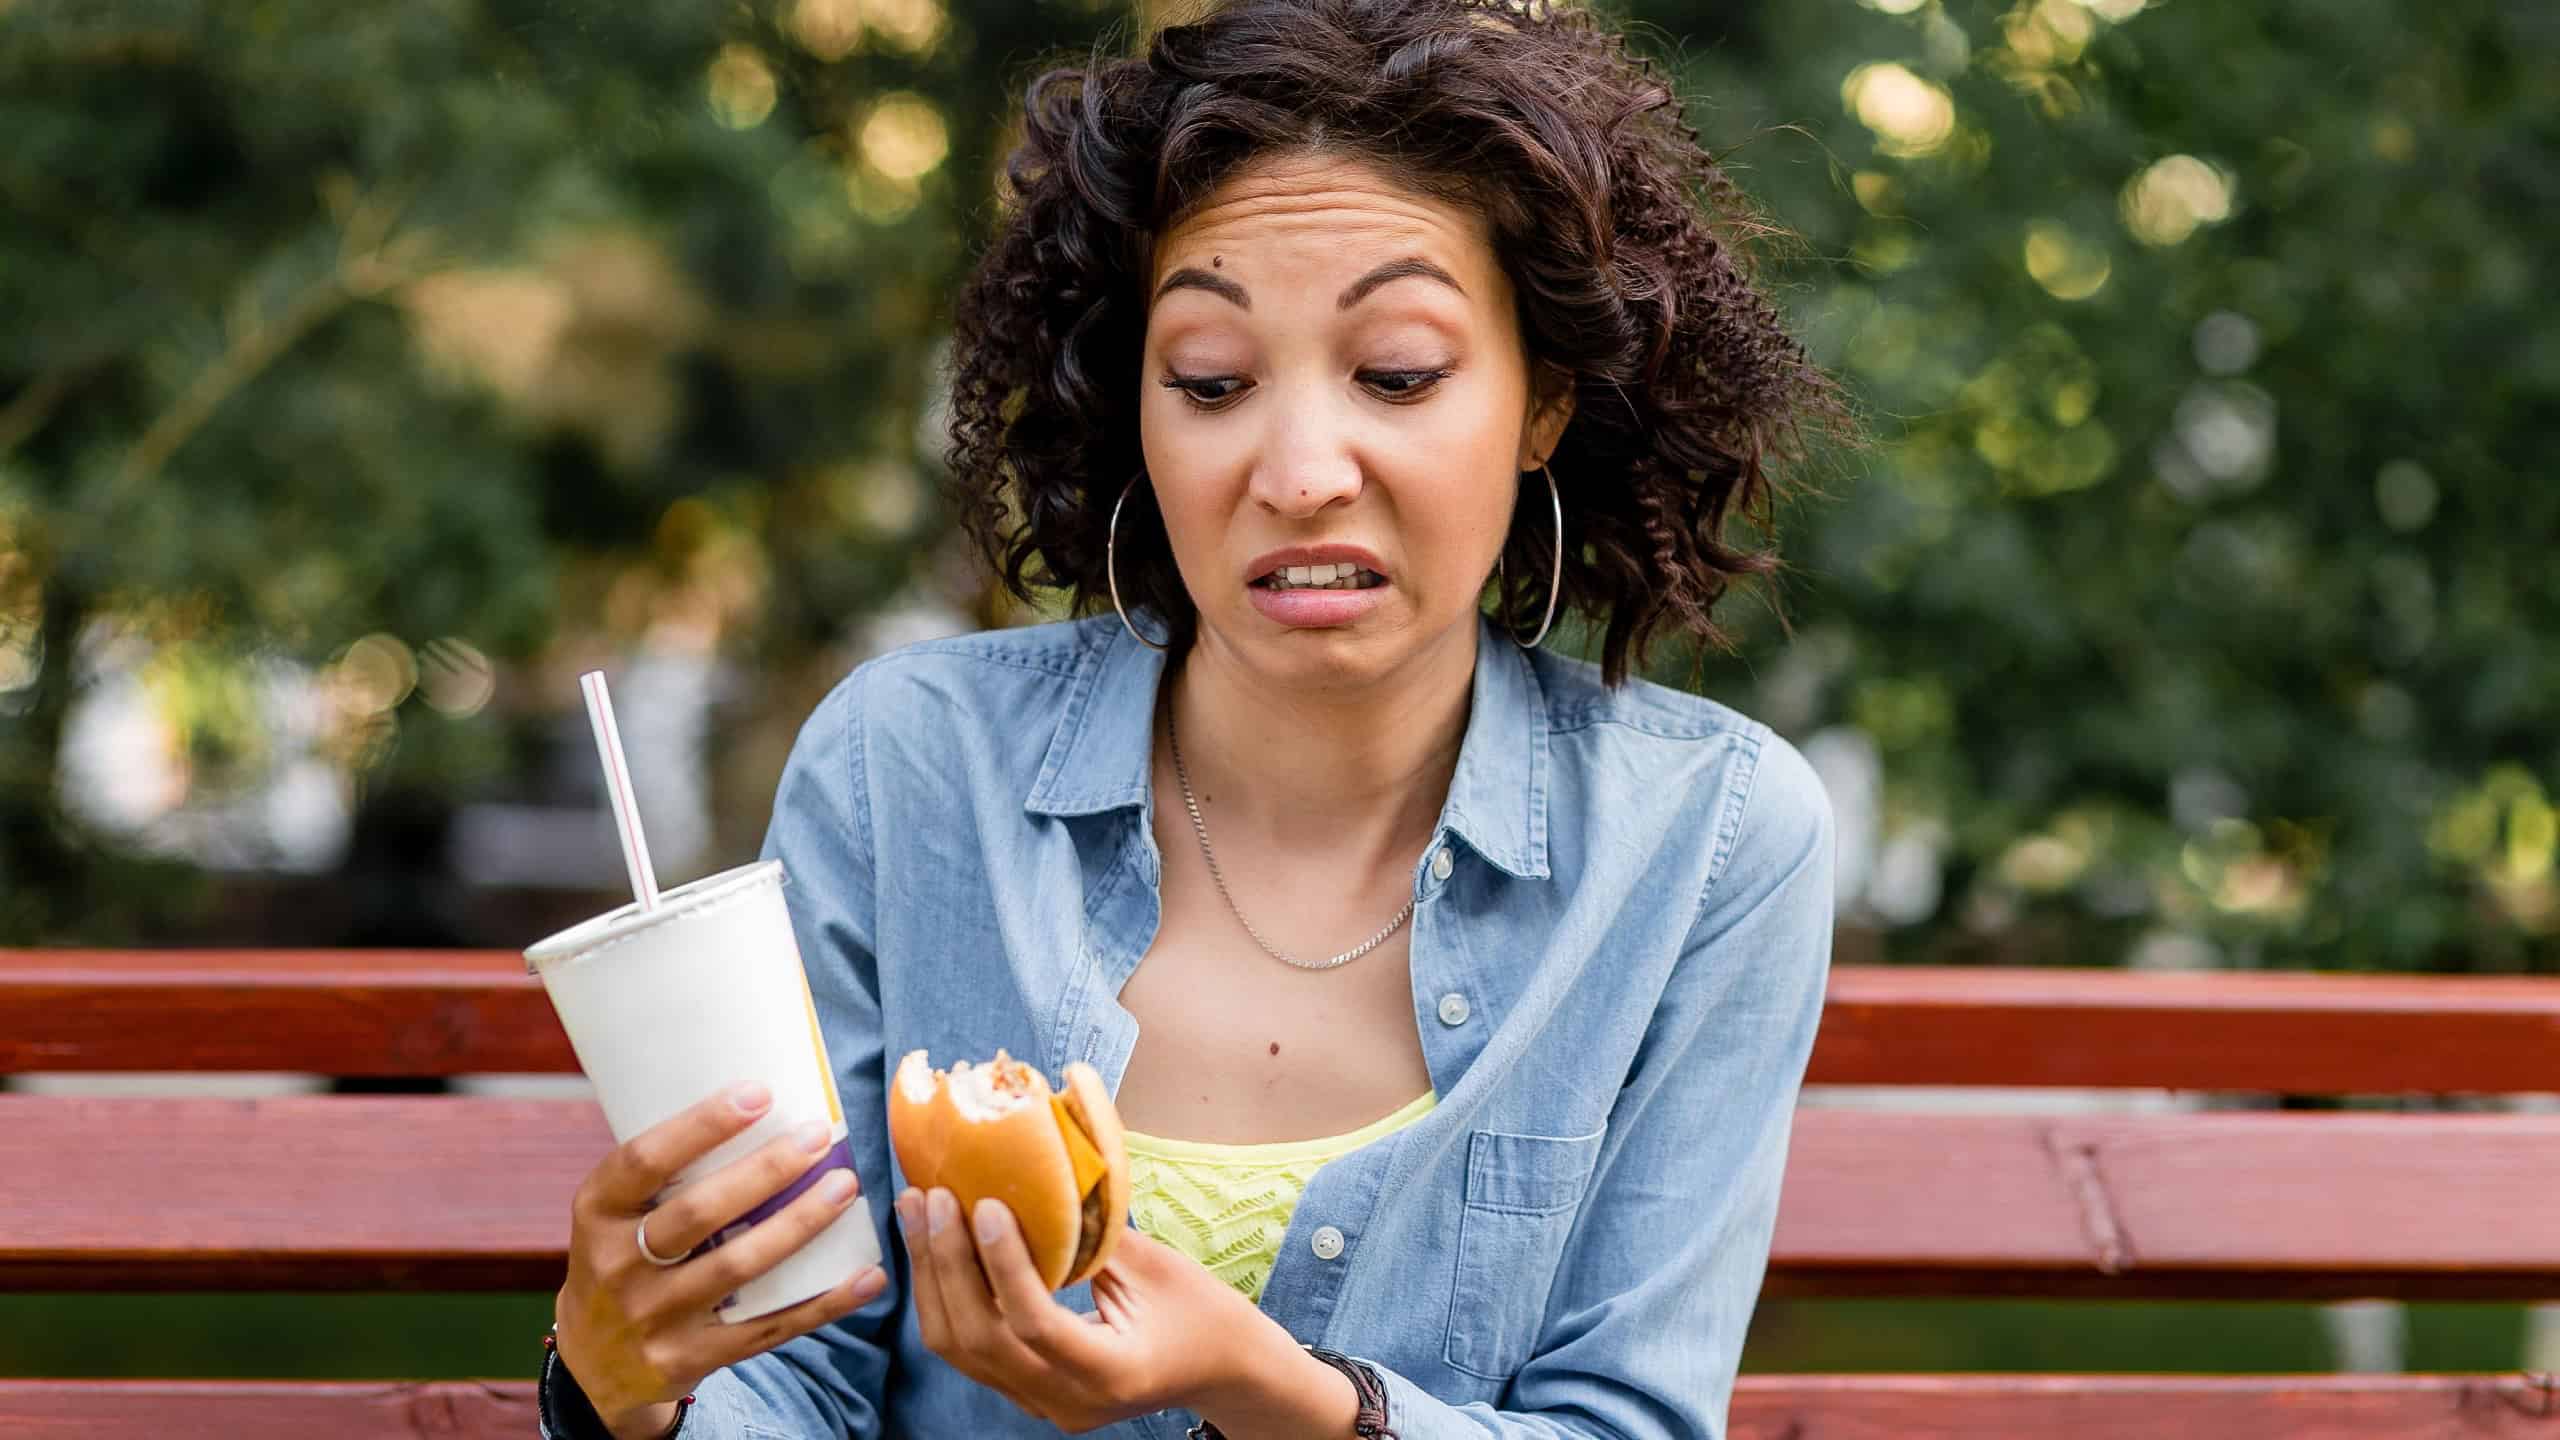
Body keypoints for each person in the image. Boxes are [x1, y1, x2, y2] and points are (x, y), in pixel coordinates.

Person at [544, 0, 1849, 1435]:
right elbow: (801, 1371)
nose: (1298, 471)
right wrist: (632, 1395)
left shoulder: (1711, 841)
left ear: (1542, 400)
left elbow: (1627, 1422)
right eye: (1213, 382)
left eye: (1397, 374)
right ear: (1137, 414)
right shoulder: (908, 764)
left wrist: (1266, 1389)